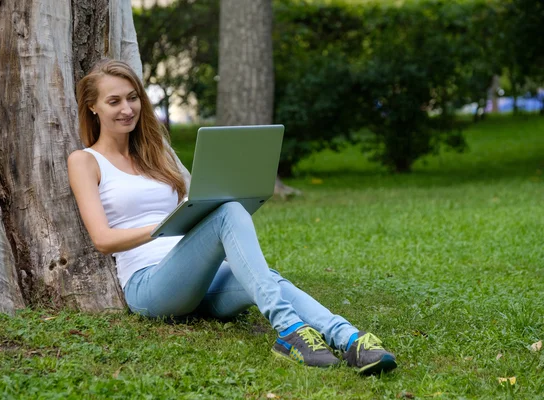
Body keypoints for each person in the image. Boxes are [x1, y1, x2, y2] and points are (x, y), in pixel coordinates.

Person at [67, 59, 397, 374]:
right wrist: (164, 228)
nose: (127, 109)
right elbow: (102, 239)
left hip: (200, 279)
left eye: (133, 98)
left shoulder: (157, 152)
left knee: (266, 276)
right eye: (114, 101)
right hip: (151, 286)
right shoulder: (85, 161)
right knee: (227, 212)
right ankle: (290, 331)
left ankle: (350, 340)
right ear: (93, 107)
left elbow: (192, 205)